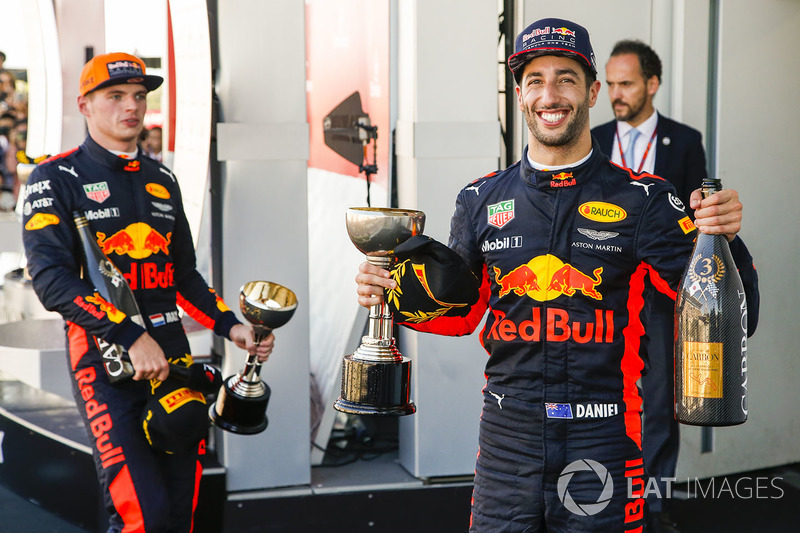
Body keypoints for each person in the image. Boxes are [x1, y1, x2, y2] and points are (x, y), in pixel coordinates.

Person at [354, 18, 759, 533]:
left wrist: (723, 237)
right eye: (536, 79)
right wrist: (386, 293)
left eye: (567, 78)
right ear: (520, 93)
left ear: (592, 92)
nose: (551, 93)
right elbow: (460, 314)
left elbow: (735, 317)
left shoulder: (646, 200)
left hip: (605, 440)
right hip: (508, 442)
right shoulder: (480, 200)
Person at [21, 52, 274, 532]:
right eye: (114, 96)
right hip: (106, 361)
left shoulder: (163, 179)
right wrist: (129, 336)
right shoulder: (54, 178)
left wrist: (233, 327)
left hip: (174, 358)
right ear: (85, 105)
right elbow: (51, 280)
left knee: (182, 513)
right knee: (144, 516)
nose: (130, 107)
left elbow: (184, 277)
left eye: (139, 96)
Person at [591, 39, 707, 533]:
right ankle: (600, 496)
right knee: (601, 395)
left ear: (652, 85)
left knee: (660, 402)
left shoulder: (683, 142)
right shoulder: (592, 138)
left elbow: (695, 222)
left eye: (626, 84)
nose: (615, 94)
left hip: (661, 298)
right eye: (611, 84)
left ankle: (654, 506)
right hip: (605, 293)